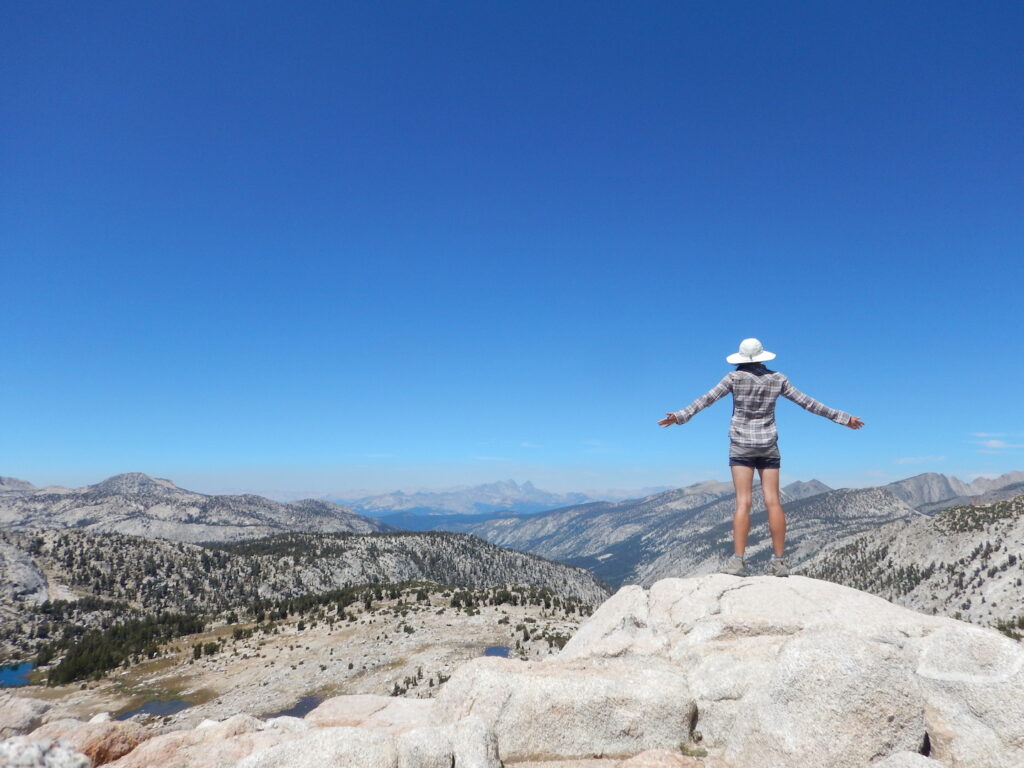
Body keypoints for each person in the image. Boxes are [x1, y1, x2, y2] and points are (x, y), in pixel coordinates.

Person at [657, 338, 863, 577]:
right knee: (773, 501)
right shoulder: (778, 379)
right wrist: (843, 418)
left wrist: (680, 416)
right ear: (763, 356)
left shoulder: (733, 378)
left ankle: (738, 562)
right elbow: (808, 403)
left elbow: (706, 400)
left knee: (743, 502)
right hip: (768, 445)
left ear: (741, 358)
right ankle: (779, 563)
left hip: (741, 445)